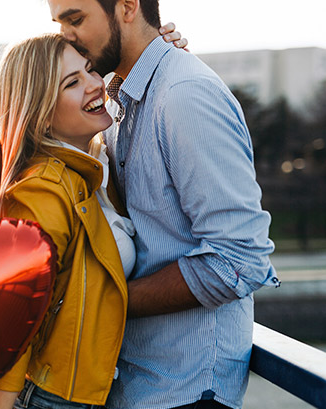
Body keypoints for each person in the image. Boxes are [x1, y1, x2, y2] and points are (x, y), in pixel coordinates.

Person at [47, 1, 280, 408]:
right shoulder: (121, 99)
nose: (66, 35)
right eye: (60, 22)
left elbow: (239, 260)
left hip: (187, 390)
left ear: (127, 7)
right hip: (135, 383)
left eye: (76, 19)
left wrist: (102, 302)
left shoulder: (183, 96)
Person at [0, 24, 187, 409]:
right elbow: (10, 323)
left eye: (90, 69)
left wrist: (161, 62)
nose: (94, 84)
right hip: (49, 399)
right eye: (72, 82)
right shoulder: (42, 190)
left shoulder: (94, 166)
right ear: (39, 110)